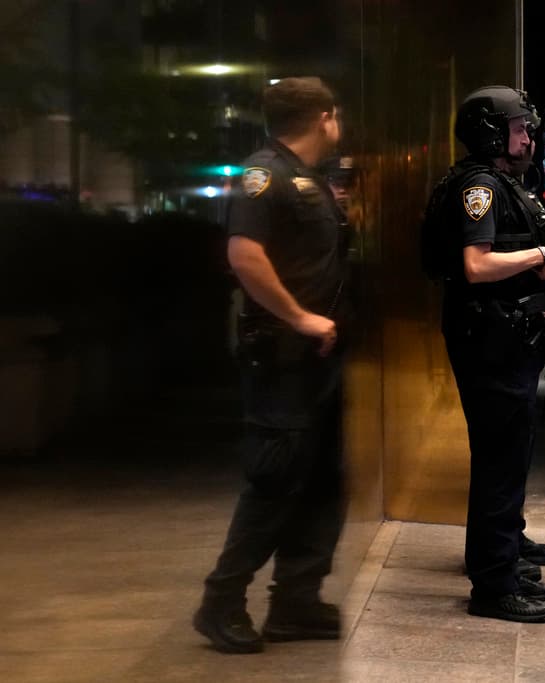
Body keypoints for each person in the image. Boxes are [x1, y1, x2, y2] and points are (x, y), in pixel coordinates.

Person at [193, 77, 347, 655]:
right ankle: (221, 601)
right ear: (324, 117)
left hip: (315, 360)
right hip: (282, 358)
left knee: (321, 480)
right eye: (337, 117)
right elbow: (244, 254)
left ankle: (296, 602)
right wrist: (302, 318)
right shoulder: (265, 174)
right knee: (274, 480)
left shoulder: (305, 178)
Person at [431, 85, 545, 622]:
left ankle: (501, 559)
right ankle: (492, 584)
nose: (528, 137)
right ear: (491, 132)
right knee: (499, 462)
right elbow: (476, 266)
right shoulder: (481, 185)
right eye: (519, 128)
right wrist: (541, 256)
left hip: (503, 341)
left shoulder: (498, 183)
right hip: (489, 342)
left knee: (505, 459)